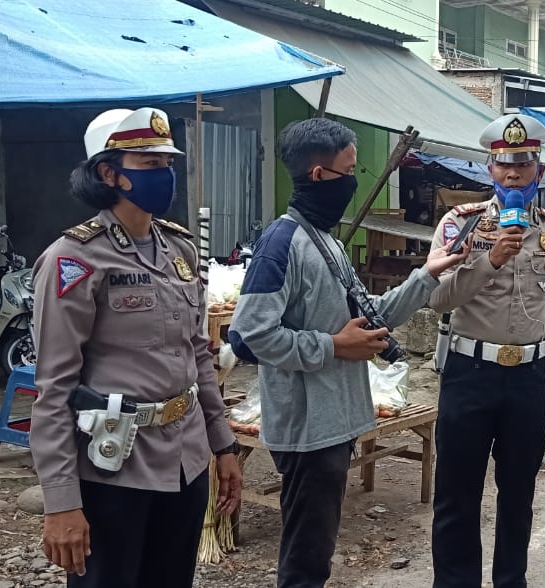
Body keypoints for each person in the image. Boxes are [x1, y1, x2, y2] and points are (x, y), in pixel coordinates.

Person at [227, 118, 468, 588]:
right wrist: (334, 346)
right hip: (307, 429)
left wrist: (427, 274)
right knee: (306, 559)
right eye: (350, 170)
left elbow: (370, 315)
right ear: (319, 175)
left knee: (316, 552)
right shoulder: (282, 243)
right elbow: (248, 337)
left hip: (334, 421)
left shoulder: (327, 242)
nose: (355, 182)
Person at [30, 107, 242, 588]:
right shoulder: (74, 260)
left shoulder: (179, 249)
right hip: (114, 466)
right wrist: (61, 502)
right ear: (109, 174)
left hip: (185, 459)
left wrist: (222, 443)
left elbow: (198, 353)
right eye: (149, 164)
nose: (165, 175)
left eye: (167, 163)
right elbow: (54, 388)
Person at [427, 113, 545, 588]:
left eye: (523, 164)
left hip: (528, 380)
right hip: (468, 373)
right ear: (489, 168)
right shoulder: (460, 225)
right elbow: (437, 299)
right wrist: (489, 260)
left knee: (519, 494)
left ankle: (510, 581)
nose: (513, 174)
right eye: (503, 165)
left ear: (540, 169)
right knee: (456, 495)